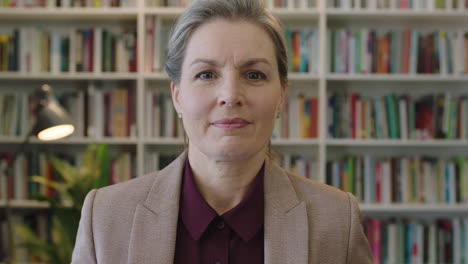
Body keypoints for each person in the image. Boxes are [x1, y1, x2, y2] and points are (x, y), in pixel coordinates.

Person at [71, 0, 373, 263]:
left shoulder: (336, 221)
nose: (230, 94)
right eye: (206, 74)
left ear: (281, 95)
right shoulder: (105, 217)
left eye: (254, 74)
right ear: (177, 95)